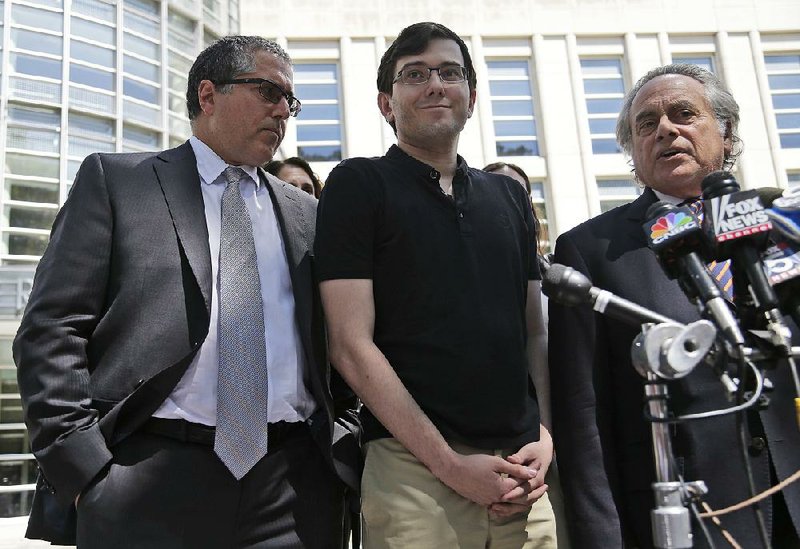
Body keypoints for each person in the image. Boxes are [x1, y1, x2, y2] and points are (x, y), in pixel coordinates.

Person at [13, 35, 359, 548]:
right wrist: (84, 470)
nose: (283, 110)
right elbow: (51, 330)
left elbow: (340, 341)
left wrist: (343, 443)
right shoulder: (117, 182)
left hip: (293, 489)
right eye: (267, 90)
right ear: (207, 94)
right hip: (145, 483)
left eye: (291, 100)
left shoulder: (307, 213)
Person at [316, 21, 556, 549]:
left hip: (523, 471)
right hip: (414, 472)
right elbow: (349, 345)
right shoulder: (357, 185)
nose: (435, 84)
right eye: (415, 74)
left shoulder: (510, 196)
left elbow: (533, 332)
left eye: (450, 72)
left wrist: (545, 434)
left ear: (471, 95)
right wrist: (448, 464)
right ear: (386, 102)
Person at [548, 63, 800, 548]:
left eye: (684, 114)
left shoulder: (778, 227)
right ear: (633, 153)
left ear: (725, 135)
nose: (666, 129)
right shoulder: (593, 250)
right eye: (647, 124)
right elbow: (585, 417)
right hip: (689, 517)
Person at [484, 161, 570, 549]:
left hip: (553, 444)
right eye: (499, 190)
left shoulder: (561, 278)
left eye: (520, 193)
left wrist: (548, 434)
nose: (510, 201)